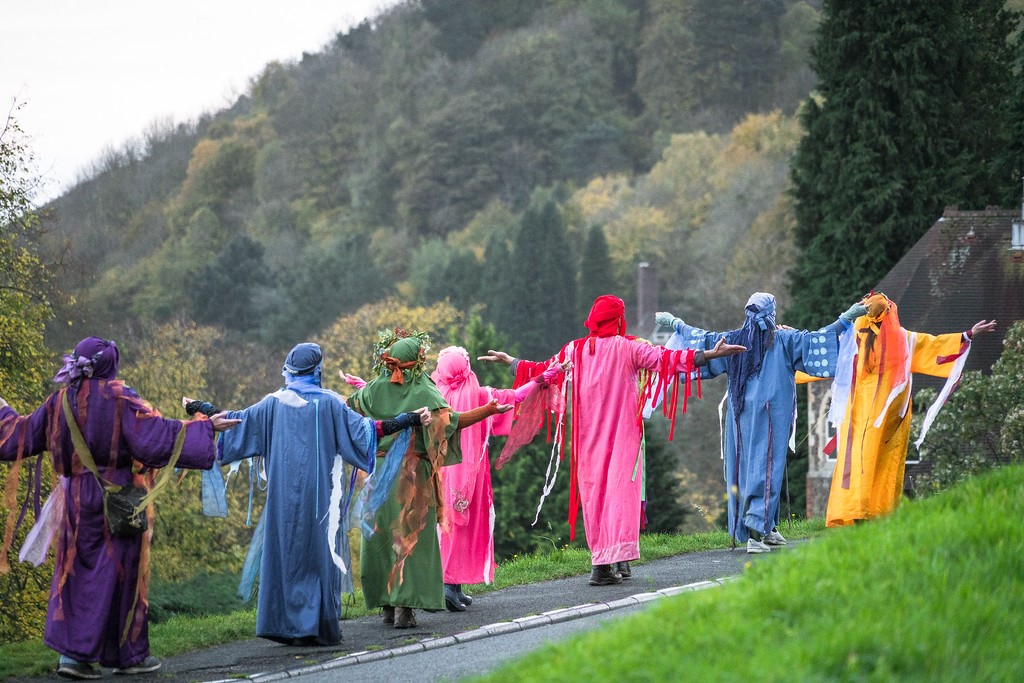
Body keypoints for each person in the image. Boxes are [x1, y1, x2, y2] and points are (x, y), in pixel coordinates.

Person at [0, 337, 239, 680]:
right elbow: (155, 436)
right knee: (122, 577)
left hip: (75, 502)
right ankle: (127, 656)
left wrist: (2, 413)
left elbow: (21, 434)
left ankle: (73, 658)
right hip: (118, 500)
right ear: (110, 365)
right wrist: (205, 426)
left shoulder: (59, 402)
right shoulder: (122, 399)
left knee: (77, 577)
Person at [478, 295, 746, 586]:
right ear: (619, 319)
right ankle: (614, 560)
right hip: (622, 436)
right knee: (621, 495)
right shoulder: (627, 348)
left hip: (587, 440)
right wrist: (709, 355)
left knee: (596, 497)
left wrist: (513, 362)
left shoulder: (575, 350)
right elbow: (667, 360)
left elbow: (545, 371)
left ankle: (604, 565)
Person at [191, 342, 431, 646]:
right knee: (317, 558)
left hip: (283, 502)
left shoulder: (272, 404)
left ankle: (286, 625)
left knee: (287, 554)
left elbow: (236, 422)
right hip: (321, 500)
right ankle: (314, 627)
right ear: (317, 369)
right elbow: (368, 432)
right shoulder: (329, 404)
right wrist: (408, 419)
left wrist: (204, 409)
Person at [656, 293, 863, 553]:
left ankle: (769, 527)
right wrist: (845, 319)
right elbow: (816, 340)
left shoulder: (735, 340)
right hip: (769, 415)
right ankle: (755, 532)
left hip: (740, 416)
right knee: (765, 467)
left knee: (747, 467)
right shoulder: (783, 340)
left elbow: (703, 339)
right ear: (771, 314)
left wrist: (676, 324)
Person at [345, 330, 512, 629]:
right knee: (411, 538)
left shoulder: (373, 389)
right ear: (417, 362)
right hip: (413, 477)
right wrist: (488, 410)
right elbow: (453, 422)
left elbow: (351, 409)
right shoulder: (425, 391)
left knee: (381, 536)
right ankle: (405, 609)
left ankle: (386, 604)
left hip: (379, 476)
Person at [824, 293, 996, 526]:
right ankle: (864, 512)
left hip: (875, 418)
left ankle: (865, 513)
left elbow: (819, 347)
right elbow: (932, 346)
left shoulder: (873, 338)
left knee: (863, 462)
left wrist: (967, 335)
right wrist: (967, 335)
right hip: (869, 417)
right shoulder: (883, 338)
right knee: (867, 462)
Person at [429, 346, 565, 612]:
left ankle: (452, 585)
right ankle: (450, 586)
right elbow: (517, 396)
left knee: (446, 527)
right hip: (472, 475)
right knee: (466, 527)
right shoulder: (480, 396)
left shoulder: (433, 396)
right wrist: (545, 376)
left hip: (440, 474)